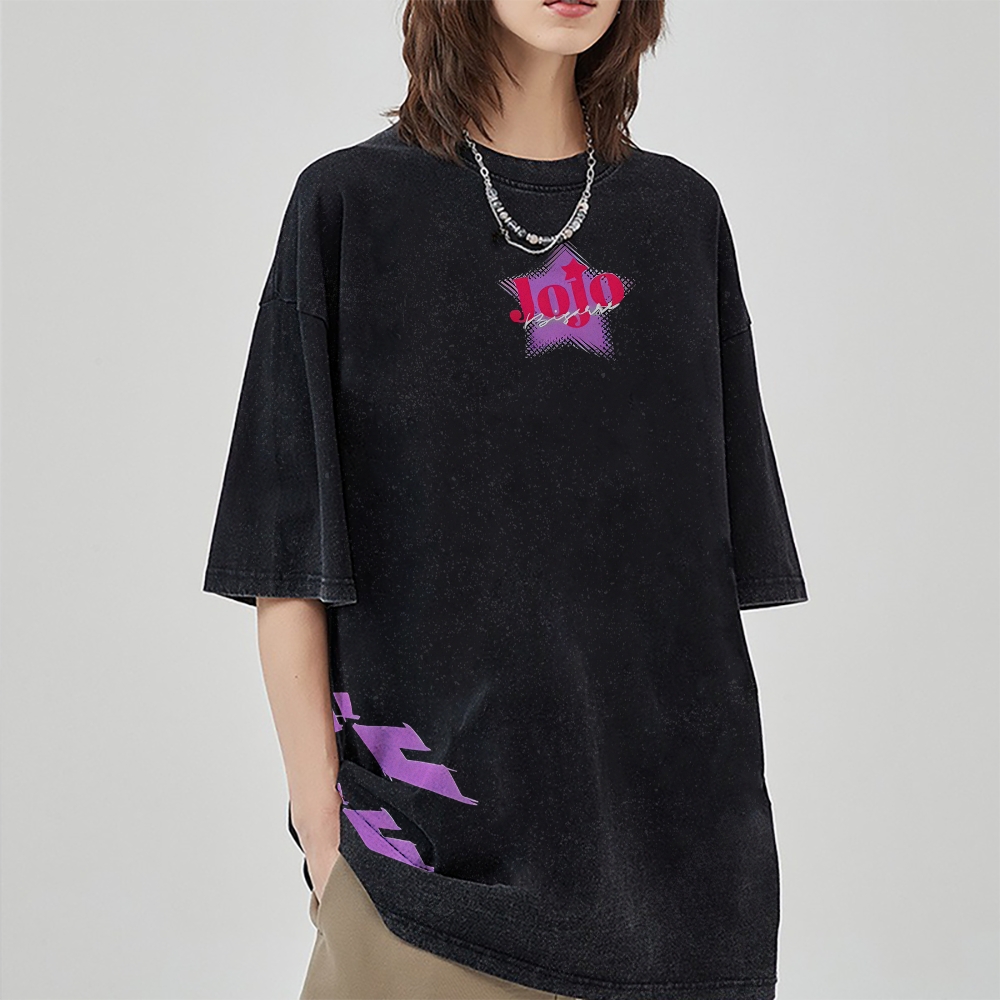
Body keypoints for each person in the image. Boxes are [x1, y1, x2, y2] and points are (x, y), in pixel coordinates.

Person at [202, 0, 809, 997]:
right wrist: (325, 837)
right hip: (428, 884)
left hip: (685, 896)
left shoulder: (680, 218)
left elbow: (696, 588)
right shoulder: (350, 206)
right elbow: (287, 561)